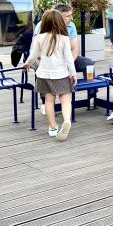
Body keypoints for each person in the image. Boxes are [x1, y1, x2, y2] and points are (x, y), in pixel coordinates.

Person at [24, 10, 76, 141]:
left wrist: (27, 64)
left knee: (49, 101)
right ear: (60, 22)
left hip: (44, 75)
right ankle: (67, 120)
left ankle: (53, 127)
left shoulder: (39, 38)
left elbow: (33, 55)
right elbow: (69, 59)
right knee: (65, 99)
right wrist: (73, 74)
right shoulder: (64, 39)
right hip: (61, 74)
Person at [33, 4, 94, 74]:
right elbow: (37, 52)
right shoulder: (43, 25)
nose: (72, 18)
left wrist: (67, 64)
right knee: (43, 69)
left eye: (71, 15)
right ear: (57, 17)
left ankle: (85, 84)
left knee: (88, 63)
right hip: (45, 59)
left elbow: (75, 49)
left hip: (64, 59)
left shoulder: (71, 25)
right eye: (68, 16)